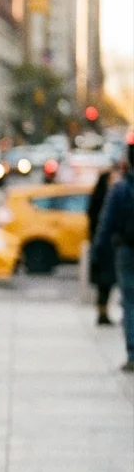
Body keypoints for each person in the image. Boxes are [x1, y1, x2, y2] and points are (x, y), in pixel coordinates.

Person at [96, 153, 134, 372]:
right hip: (125, 250)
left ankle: (132, 354)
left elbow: (106, 222)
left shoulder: (120, 190)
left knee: (129, 302)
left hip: (126, 250)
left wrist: (99, 251)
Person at [89, 166, 119, 327]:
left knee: (108, 282)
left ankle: (104, 311)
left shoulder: (110, 195)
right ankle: (102, 311)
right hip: (105, 246)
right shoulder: (105, 198)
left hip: (107, 245)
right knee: (104, 282)